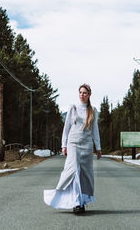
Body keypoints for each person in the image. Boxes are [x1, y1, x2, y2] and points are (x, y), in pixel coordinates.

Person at [44, 83, 102, 214]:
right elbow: (67, 127)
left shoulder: (93, 110)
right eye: (80, 92)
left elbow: (95, 130)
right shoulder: (73, 108)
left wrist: (98, 147)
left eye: (85, 93)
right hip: (73, 143)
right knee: (73, 171)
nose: (82, 95)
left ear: (89, 95)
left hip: (87, 144)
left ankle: (81, 203)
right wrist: (63, 145)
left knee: (85, 174)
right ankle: (74, 202)